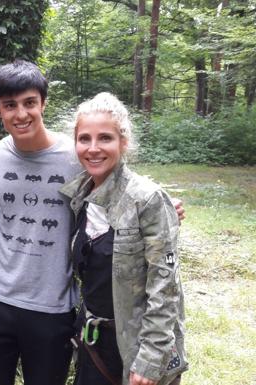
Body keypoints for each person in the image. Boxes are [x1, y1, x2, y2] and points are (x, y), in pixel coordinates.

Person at [60, 92, 187, 385]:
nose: (93, 148)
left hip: (136, 347)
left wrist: (151, 358)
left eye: (105, 138)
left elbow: (166, 286)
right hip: (94, 341)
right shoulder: (79, 198)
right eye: (84, 139)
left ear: (124, 143)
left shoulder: (147, 200)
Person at [0, 60, 81, 385]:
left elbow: (115, 187)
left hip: (52, 306)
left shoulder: (74, 157)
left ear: (43, 102)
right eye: (10, 105)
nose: (21, 114)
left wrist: (157, 202)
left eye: (29, 102)